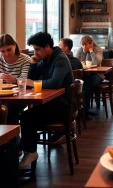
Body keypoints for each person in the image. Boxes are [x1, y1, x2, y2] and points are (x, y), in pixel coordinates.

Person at [19, 32, 73, 167]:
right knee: (24, 115)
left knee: (27, 117)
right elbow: (32, 77)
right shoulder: (45, 59)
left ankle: (29, 151)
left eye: (37, 49)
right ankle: (24, 149)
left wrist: (32, 82)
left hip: (63, 106)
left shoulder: (60, 59)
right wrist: (32, 63)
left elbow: (55, 83)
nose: (35, 52)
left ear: (47, 46)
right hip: (52, 103)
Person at [0, 34, 31, 125]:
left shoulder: (25, 59)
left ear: (15, 45)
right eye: (2, 51)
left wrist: (15, 80)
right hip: (2, 95)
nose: (6, 54)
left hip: (20, 96)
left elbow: (26, 80)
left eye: (9, 50)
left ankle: (12, 137)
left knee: (9, 111)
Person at [75, 36, 103, 114]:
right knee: (80, 84)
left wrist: (91, 51)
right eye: (82, 45)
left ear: (91, 44)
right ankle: (80, 110)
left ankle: (85, 111)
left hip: (97, 74)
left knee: (86, 85)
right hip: (84, 74)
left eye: (85, 45)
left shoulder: (98, 50)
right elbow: (76, 62)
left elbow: (96, 62)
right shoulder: (80, 50)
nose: (83, 47)